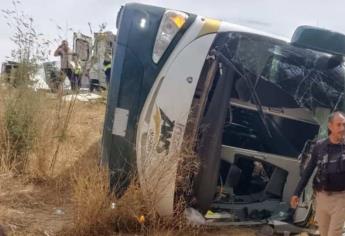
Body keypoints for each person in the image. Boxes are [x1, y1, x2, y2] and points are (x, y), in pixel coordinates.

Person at [290, 111, 345, 236]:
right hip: (322, 197)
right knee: (324, 233)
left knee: (334, 233)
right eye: (339, 125)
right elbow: (308, 171)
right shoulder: (319, 146)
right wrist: (296, 193)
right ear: (330, 126)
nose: (343, 128)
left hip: (341, 199)